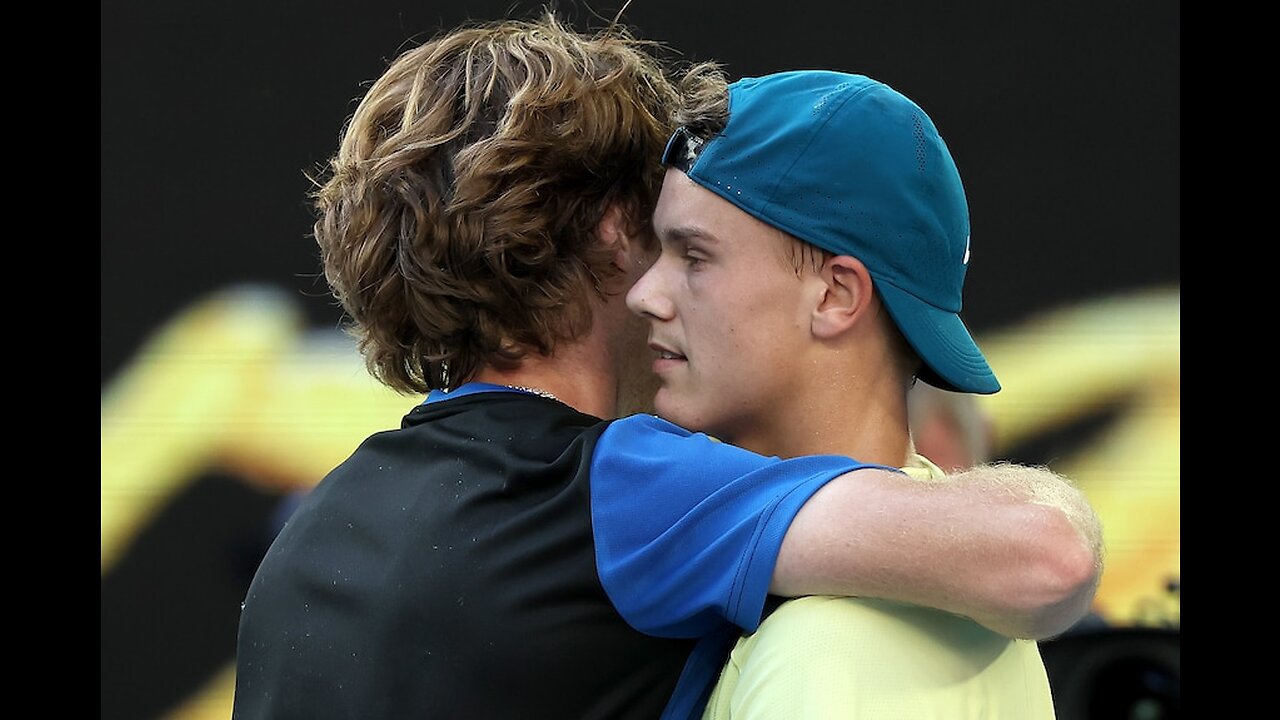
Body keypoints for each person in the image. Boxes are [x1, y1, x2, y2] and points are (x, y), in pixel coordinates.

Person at [231, 13, 1101, 720]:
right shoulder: (626, 486)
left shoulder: (314, 529)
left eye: (698, 252)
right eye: (668, 234)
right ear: (615, 228)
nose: (659, 292)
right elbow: (1043, 556)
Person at [625, 69, 1104, 718]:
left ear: (836, 295)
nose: (644, 295)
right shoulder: (969, 599)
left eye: (695, 256)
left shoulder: (823, 651)